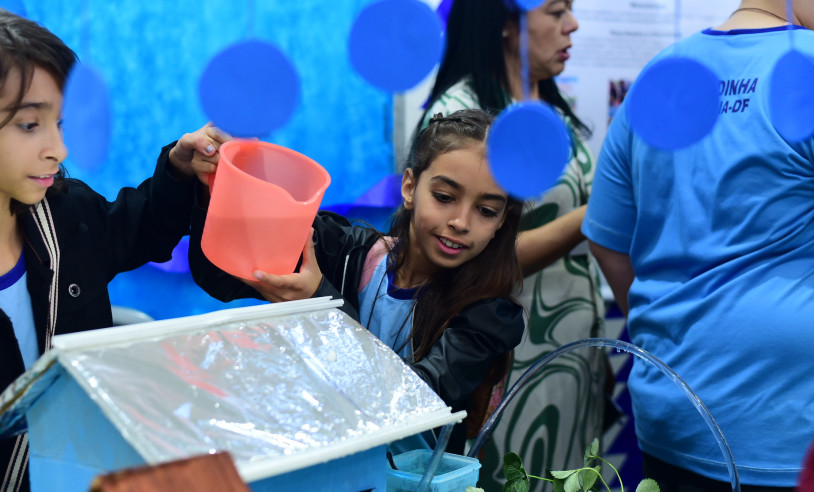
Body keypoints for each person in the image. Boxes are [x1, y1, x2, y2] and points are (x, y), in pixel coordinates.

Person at [185, 109, 525, 455]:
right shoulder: (346, 252)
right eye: (444, 197)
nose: (460, 221)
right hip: (323, 462)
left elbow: (410, 398)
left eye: (486, 211)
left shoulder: (488, 315)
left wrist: (320, 304)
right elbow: (219, 276)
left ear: (501, 222)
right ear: (410, 187)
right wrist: (213, 185)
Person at [582, 1, 814, 490]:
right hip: (788, 428)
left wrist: (684, 326)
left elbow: (607, 240)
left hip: (673, 408)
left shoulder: (658, 75)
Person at [0, 10, 215, 491]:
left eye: (60, 123)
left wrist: (179, 169)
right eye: (30, 125)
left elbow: (144, 230)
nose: (59, 149)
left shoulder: (66, 217)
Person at [414, 0, 608, 480]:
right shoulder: (461, 117)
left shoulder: (548, 108)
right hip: (502, 355)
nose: (573, 25)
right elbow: (464, 254)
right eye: (557, 11)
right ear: (505, 20)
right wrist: (593, 215)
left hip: (569, 354)